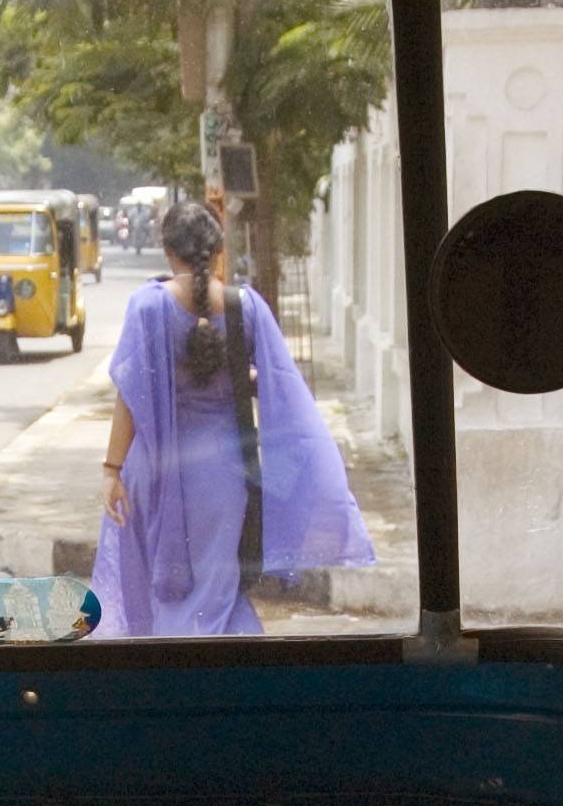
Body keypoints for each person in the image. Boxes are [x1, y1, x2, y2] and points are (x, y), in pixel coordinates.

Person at [92, 199, 371, 637]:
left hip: (156, 473)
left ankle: (162, 680)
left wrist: (112, 470)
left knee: (153, 592)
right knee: (214, 599)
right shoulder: (245, 306)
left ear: (168, 251)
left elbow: (131, 397)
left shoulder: (147, 307)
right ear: (218, 250)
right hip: (223, 479)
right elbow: (282, 386)